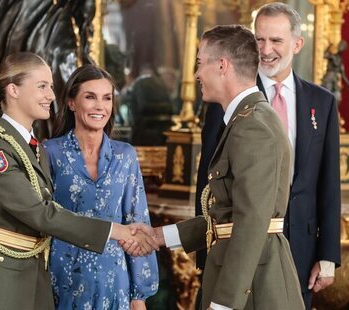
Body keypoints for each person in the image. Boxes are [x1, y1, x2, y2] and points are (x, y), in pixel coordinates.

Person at [0, 52, 158, 310]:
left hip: (32, 277)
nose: (50, 95)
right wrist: (117, 231)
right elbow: (41, 213)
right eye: (42, 86)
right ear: (13, 90)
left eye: (50, 86)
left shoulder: (30, 147)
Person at [125, 24, 305, 310]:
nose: (196, 74)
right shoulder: (243, 121)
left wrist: (224, 304)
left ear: (222, 65)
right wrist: (159, 237)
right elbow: (225, 217)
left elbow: (251, 222)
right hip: (245, 285)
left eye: (199, 63)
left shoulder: (253, 126)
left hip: (254, 291)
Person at [195, 3, 341, 309]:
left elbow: (328, 182)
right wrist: (204, 249)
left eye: (276, 40)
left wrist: (328, 253)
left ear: (297, 44)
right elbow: (208, 180)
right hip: (234, 247)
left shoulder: (322, 102)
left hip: (298, 248)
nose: (266, 49)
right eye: (259, 40)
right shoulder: (225, 98)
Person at [43, 64, 159, 310]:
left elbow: (137, 222)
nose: (100, 106)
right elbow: (41, 217)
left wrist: (139, 298)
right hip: (60, 280)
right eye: (90, 97)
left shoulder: (125, 156)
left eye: (107, 98)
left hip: (114, 281)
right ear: (72, 102)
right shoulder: (50, 153)